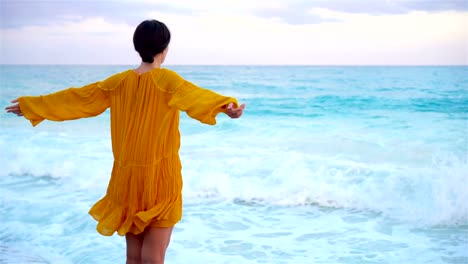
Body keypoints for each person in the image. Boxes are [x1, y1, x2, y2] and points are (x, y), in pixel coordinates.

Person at [5, 19, 245, 264]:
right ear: (165, 48)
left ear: (137, 47)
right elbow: (197, 97)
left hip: (127, 180)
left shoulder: (117, 83)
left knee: (134, 258)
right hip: (161, 178)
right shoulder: (169, 82)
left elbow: (78, 99)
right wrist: (226, 107)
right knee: (152, 259)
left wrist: (33, 106)